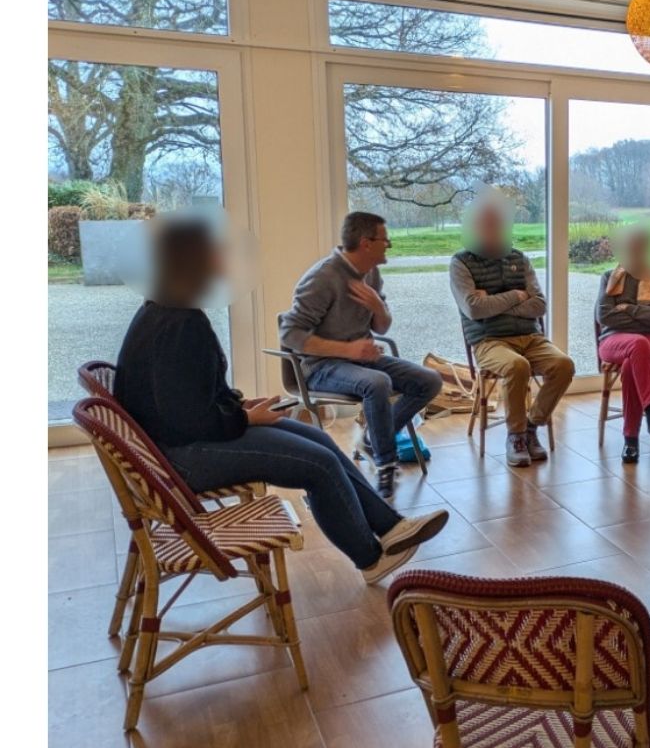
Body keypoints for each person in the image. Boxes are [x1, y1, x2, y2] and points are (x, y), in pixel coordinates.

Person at [114, 215, 447, 585]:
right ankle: (370, 560)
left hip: (186, 441)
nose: (226, 260)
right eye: (218, 252)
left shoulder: (164, 312)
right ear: (194, 260)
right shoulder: (182, 324)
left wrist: (235, 405)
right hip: (183, 458)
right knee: (318, 465)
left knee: (320, 439)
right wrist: (245, 419)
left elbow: (184, 396)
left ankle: (390, 528)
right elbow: (186, 420)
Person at [278, 212, 443, 501]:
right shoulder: (322, 278)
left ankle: (373, 440)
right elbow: (290, 334)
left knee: (429, 381)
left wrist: (378, 306)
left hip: (362, 361)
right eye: (385, 239)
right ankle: (385, 464)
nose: (389, 244)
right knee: (376, 383)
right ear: (366, 243)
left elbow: (382, 326)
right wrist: (349, 350)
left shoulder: (371, 273)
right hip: (321, 366)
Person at [448, 197, 574, 466]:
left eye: (498, 224)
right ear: (474, 227)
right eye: (487, 224)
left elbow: (539, 305)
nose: (493, 229)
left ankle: (530, 426)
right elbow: (473, 309)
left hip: (530, 337)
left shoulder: (519, 258)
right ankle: (515, 436)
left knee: (564, 365)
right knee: (517, 366)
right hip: (489, 340)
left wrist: (494, 302)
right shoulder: (461, 262)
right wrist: (517, 295)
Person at [595, 229, 650, 464]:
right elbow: (605, 317)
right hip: (615, 341)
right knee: (637, 346)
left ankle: (631, 440)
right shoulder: (610, 277)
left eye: (641, 247)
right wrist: (649, 313)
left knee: (635, 358)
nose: (636, 252)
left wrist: (628, 308)